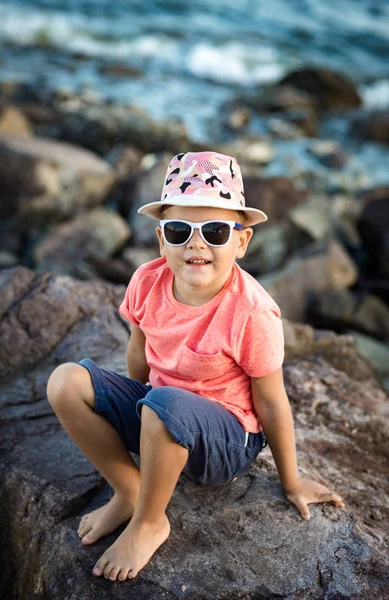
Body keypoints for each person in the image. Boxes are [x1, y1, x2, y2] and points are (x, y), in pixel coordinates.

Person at [47, 151, 345, 583]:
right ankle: (130, 489)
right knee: (65, 381)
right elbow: (138, 353)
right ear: (161, 239)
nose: (196, 242)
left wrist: (292, 480)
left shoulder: (252, 313)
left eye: (217, 230)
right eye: (179, 229)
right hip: (163, 412)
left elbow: (272, 401)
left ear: (242, 242)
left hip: (225, 440)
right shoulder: (147, 282)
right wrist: (134, 418)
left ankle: (151, 521)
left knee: (163, 404)